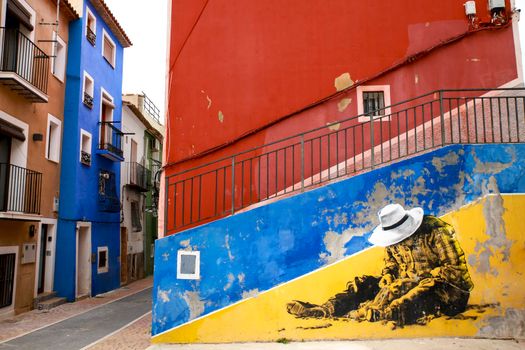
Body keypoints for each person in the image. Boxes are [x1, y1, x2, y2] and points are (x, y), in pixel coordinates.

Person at [287, 203, 474, 326]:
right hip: (403, 284)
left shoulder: (437, 232)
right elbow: (391, 264)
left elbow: (455, 272)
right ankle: (326, 309)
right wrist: (388, 276)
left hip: (448, 293)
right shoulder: (393, 241)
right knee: (365, 283)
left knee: (417, 293)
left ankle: (381, 312)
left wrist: (415, 283)